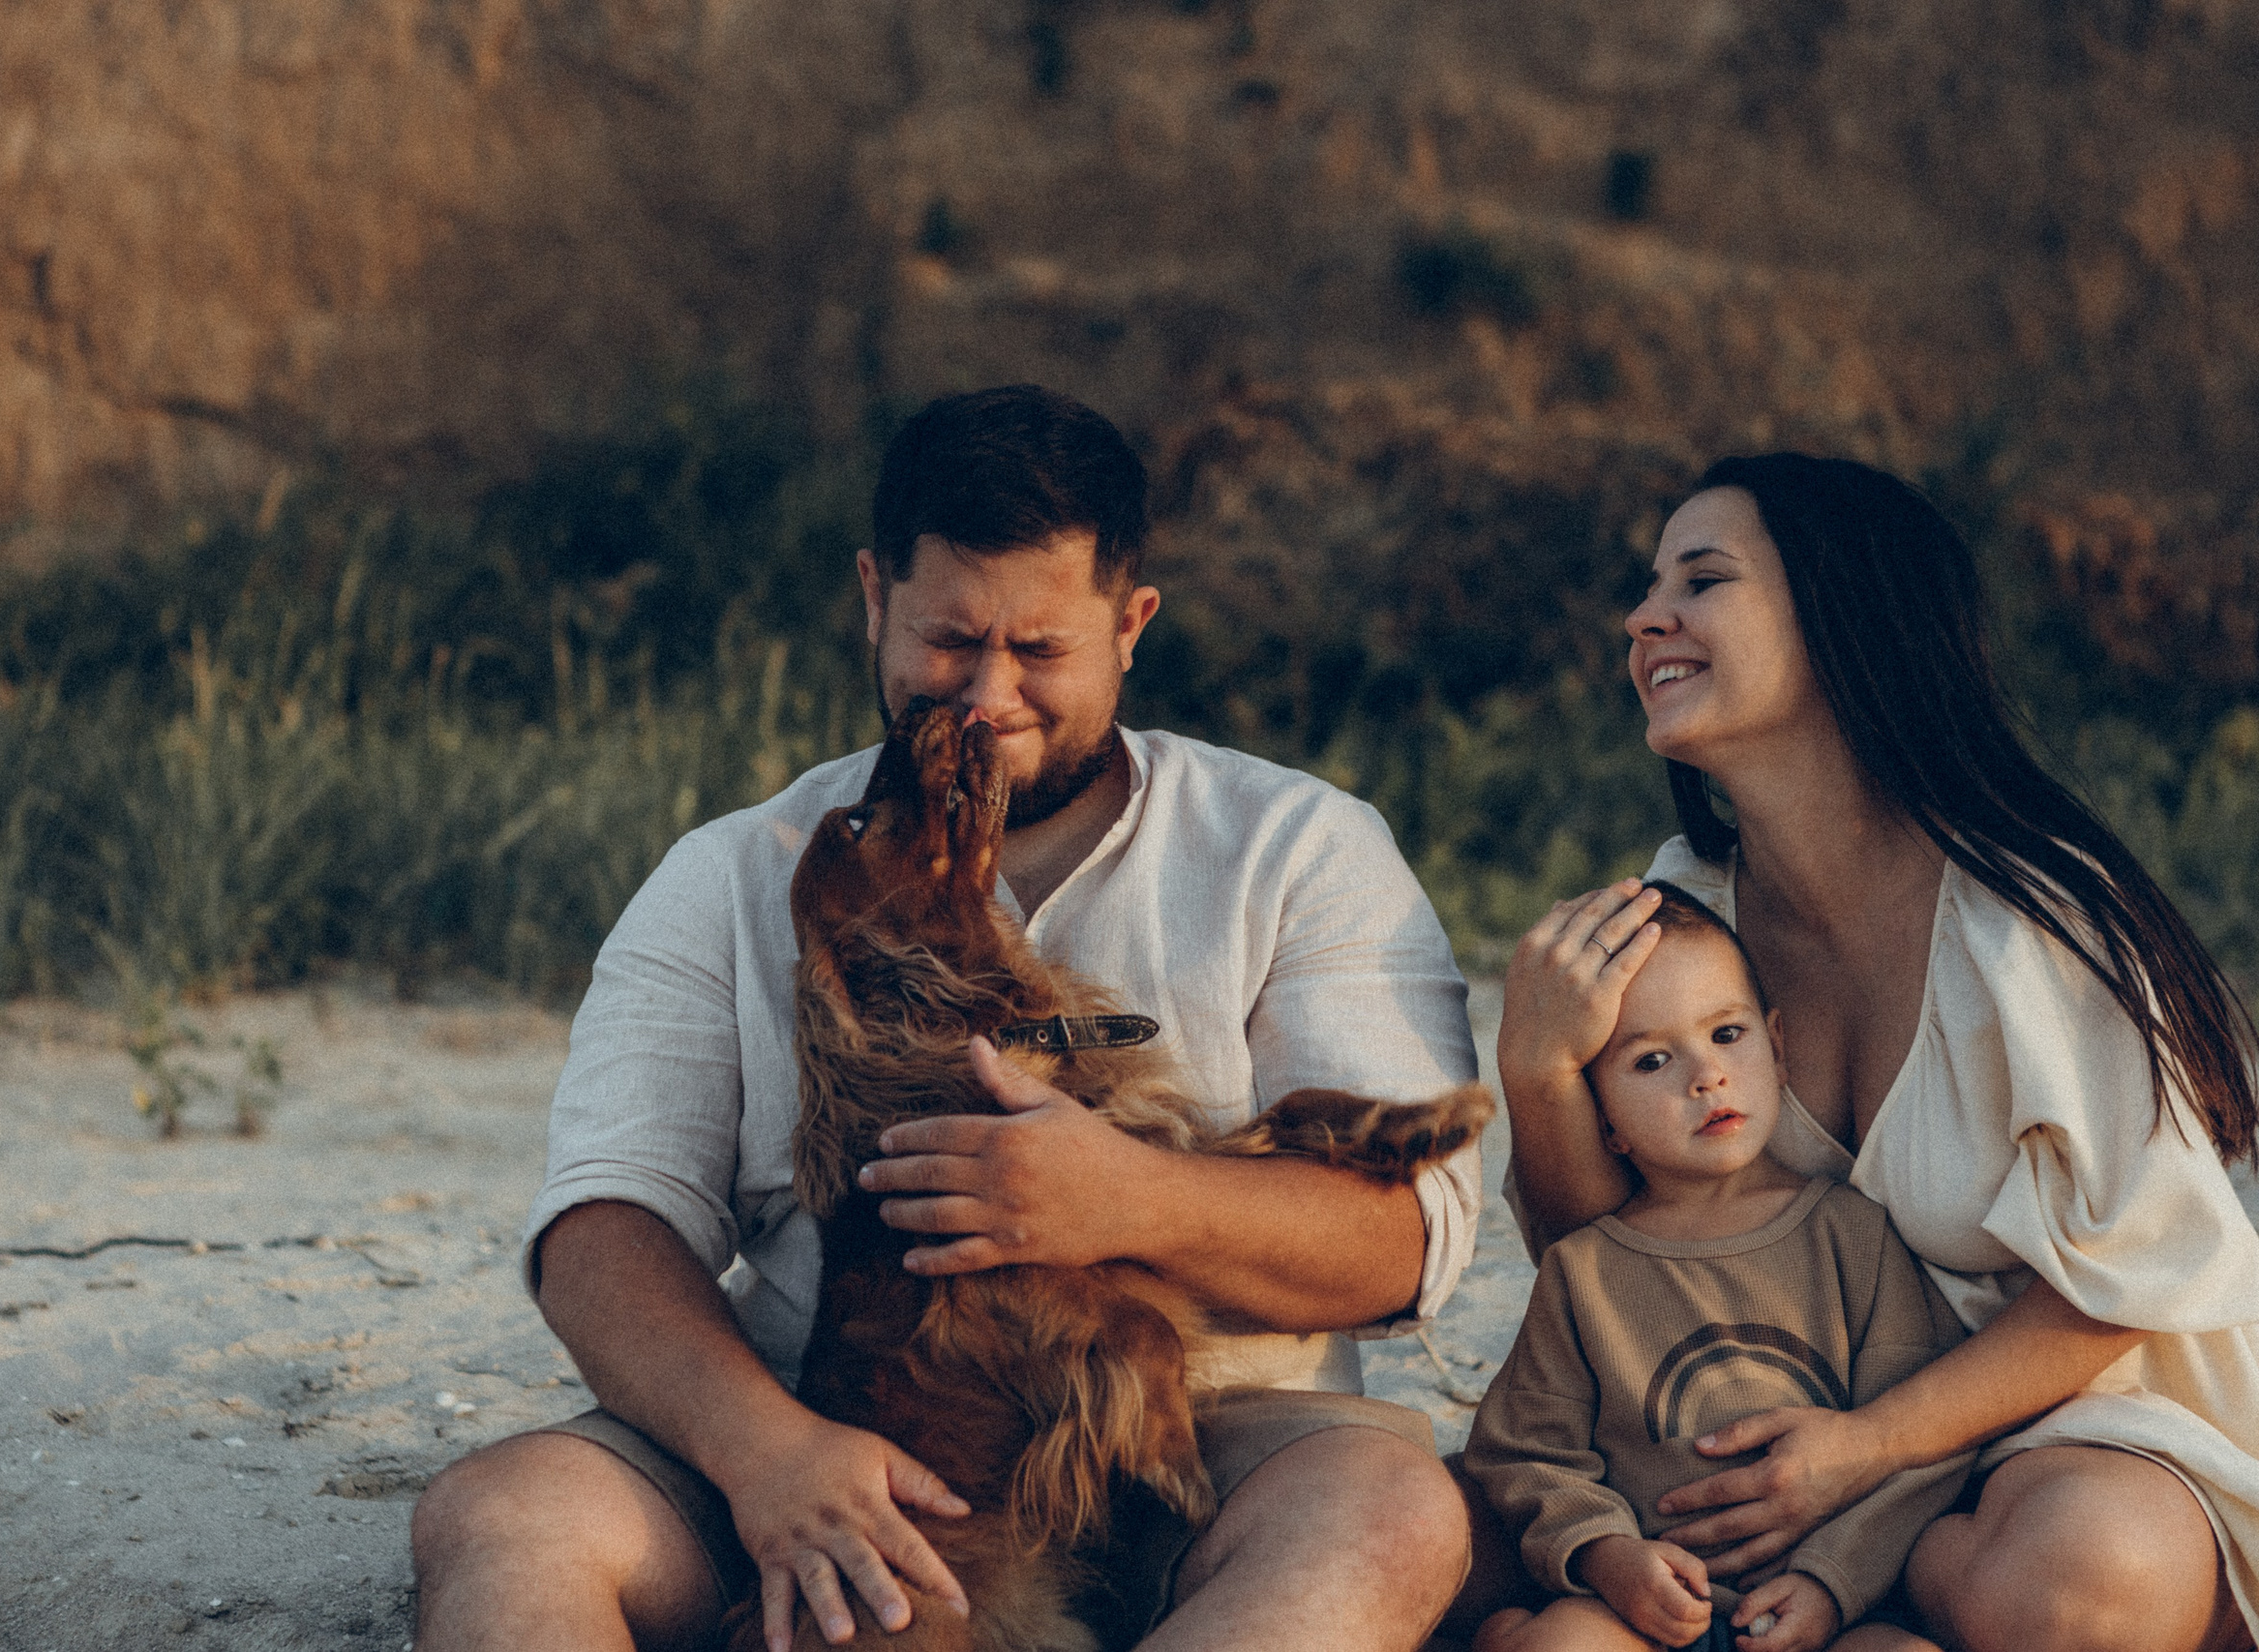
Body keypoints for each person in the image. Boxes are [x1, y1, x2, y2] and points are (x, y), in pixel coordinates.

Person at [409, 384, 1485, 1652]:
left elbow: (1405, 1244)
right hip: (843, 1430)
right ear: (875, 598)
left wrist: (1130, 1199)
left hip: (1201, 1439)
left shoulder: (1294, 846)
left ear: (1131, 624)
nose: (986, 694)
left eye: (1039, 650)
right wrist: (767, 1449)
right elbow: (605, 1224)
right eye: (948, 639)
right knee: (506, 1511)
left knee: (1394, 1514)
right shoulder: (735, 871)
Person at [1497, 453, 2259, 1652]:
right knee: (1472, 1545)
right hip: (1765, 1417)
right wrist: (1538, 1074)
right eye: (1650, 590)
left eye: (1703, 580)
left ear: (1845, 613)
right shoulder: (1680, 912)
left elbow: (2139, 1275)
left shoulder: (2036, 919)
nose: (1646, 619)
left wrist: (1865, 1454)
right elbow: (1608, 1261)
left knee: (2075, 1585)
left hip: (2064, 1427)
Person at [1465, 883, 1967, 1652]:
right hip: (1646, 1611)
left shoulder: (1854, 1236)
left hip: (1828, 1616)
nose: (1705, 1075)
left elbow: (1915, 1454)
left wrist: (1832, 1583)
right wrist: (1609, 1556)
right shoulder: (1584, 1269)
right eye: (1653, 1059)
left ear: (1779, 1047)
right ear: (1604, 1119)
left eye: (1727, 1033)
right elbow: (1523, 1451)